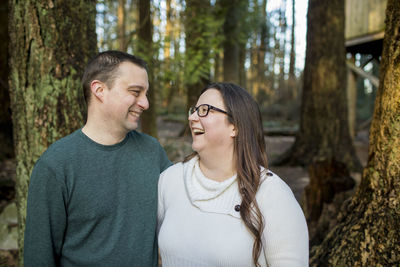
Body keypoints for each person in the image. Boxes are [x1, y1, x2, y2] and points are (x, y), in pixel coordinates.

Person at [24, 50, 172, 267]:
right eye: (135, 91)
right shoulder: (55, 165)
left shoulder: (152, 152)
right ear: (100, 90)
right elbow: (39, 256)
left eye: (146, 93)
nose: (145, 103)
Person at [158, 82, 309, 266]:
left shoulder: (273, 194)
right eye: (194, 109)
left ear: (235, 126)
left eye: (205, 110)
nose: (192, 117)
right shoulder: (171, 180)